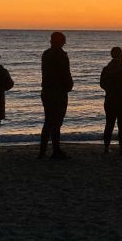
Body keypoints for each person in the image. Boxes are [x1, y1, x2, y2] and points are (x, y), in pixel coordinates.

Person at [39, 31, 73, 159]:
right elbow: (64, 73)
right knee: (56, 121)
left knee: (48, 121)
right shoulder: (60, 55)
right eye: (63, 40)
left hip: (47, 91)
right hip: (57, 92)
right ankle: (55, 150)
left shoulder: (46, 54)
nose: (64, 42)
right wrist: (68, 85)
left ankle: (43, 151)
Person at [101, 46, 122, 154]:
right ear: (120, 55)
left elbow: (102, 84)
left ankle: (106, 148)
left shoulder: (107, 68)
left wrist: (110, 88)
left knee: (109, 124)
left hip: (110, 99)